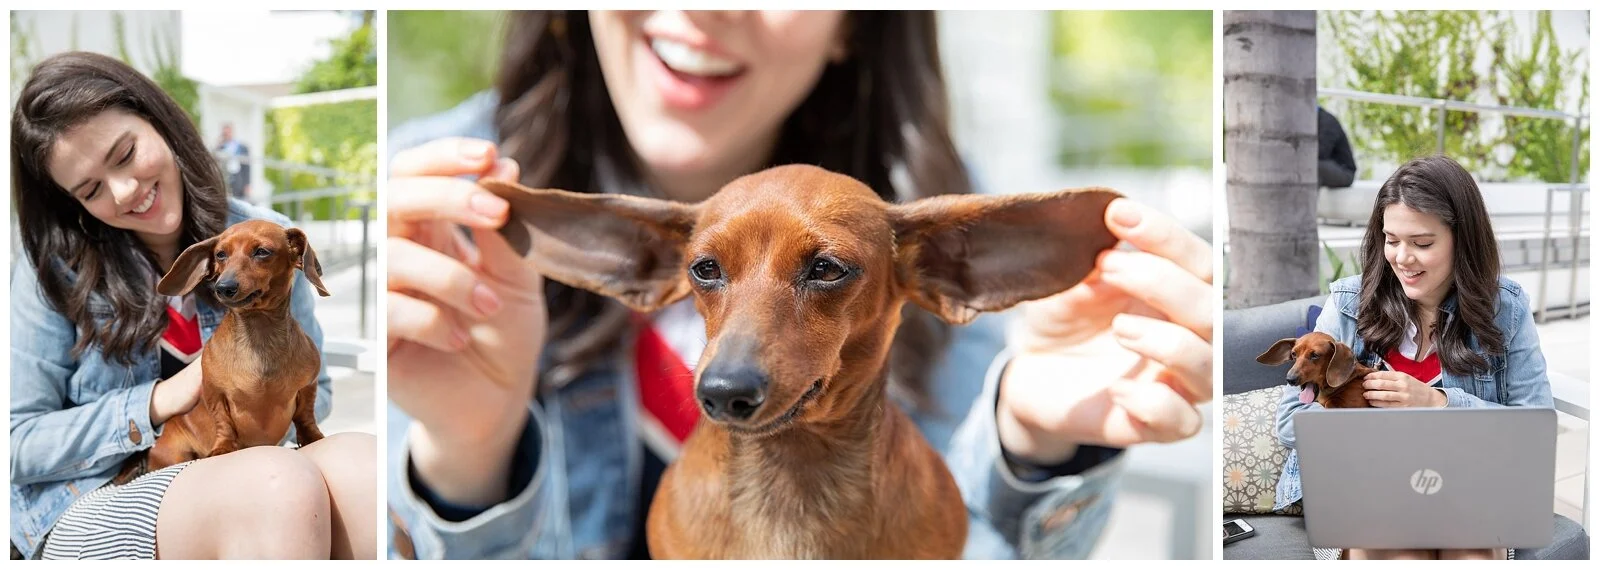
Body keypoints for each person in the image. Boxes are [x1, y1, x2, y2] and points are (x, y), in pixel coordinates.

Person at [385, 11, 1213, 559]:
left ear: (855, 20)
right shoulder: (425, 208)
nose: (703, 10)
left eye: (825, 272)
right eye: (708, 271)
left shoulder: (928, 212)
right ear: (646, 261)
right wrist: (468, 450)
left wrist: (1029, 440)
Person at [10, 52, 376, 560]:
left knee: (363, 468)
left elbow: (317, 393)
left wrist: (252, 392)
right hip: (96, 491)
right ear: (72, 202)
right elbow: (15, 442)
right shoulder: (52, 269)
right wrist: (162, 398)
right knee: (277, 486)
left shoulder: (267, 237)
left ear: (160, 124)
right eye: (91, 190)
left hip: (242, 464)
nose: (125, 192)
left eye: (125, 154)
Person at [1274, 155, 1553, 560]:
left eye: (1422, 243)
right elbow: (1289, 424)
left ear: (1462, 239)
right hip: (1360, 487)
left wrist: (1438, 402)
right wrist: (1367, 419)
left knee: (1472, 554)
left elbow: (1533, 431)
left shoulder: (1505, 309)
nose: (1402, 258)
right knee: (1395, 548)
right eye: (1392, 240)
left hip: (1469, 485)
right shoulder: (1350, 303)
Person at [1319, 106, 1357, 188]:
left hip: (1345, 171)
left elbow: (1321, 153)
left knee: (1314, 167)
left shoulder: (1326, 120)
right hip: (1330, 167)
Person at [215, 123, 251, 201]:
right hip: (226, 179)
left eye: (228, 132)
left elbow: (247, 167)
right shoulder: (220, 148)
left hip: (239, 179)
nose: (226, 135)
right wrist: (218, 144)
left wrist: (247, 184)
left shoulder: (242, 147)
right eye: (225, 133)